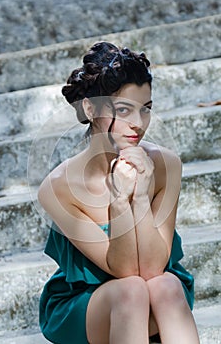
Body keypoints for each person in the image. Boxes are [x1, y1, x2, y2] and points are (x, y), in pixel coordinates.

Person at [38, 41, 200, 344]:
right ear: (90, 108)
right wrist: (119, 198)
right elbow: (124, 270)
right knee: (131, 290)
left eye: (146, 109)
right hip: (86, 305)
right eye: (124, 110)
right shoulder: (58, 187)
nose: (138, 125)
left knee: (166, 285)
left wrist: (139, 195)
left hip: (156, 294)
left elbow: (152, 268)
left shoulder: (166, 166)